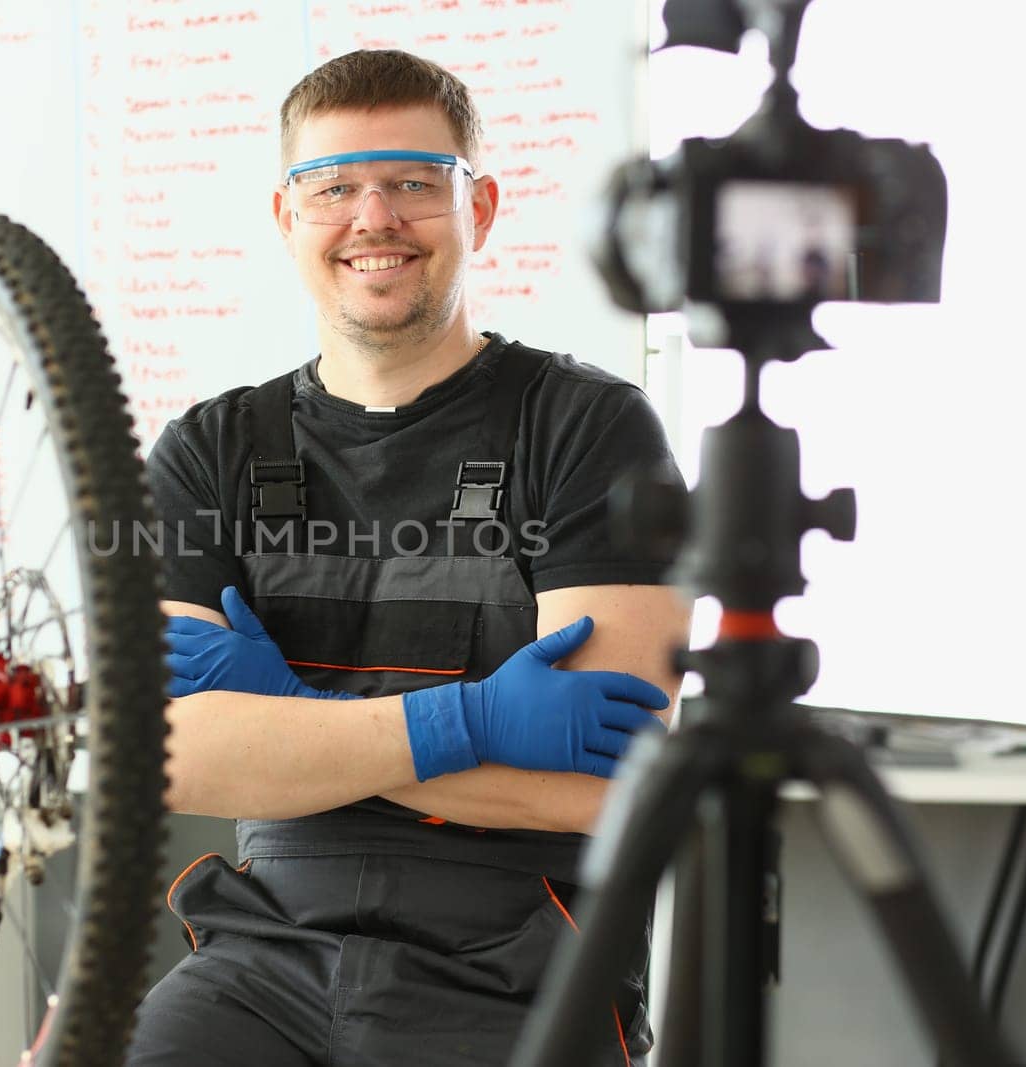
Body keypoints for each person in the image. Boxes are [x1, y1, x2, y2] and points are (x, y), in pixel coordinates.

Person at [129, 48, 691, 1067]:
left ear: (476, 210)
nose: (373, 217)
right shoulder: (211, 450)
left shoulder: (587, 430)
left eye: (413, 184)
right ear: (287, 218)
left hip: (520, 960)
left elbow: (613, 789)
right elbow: (173, 759)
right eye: (334, 186)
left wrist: (293, 719)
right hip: (263, 955)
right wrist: (469, 720)